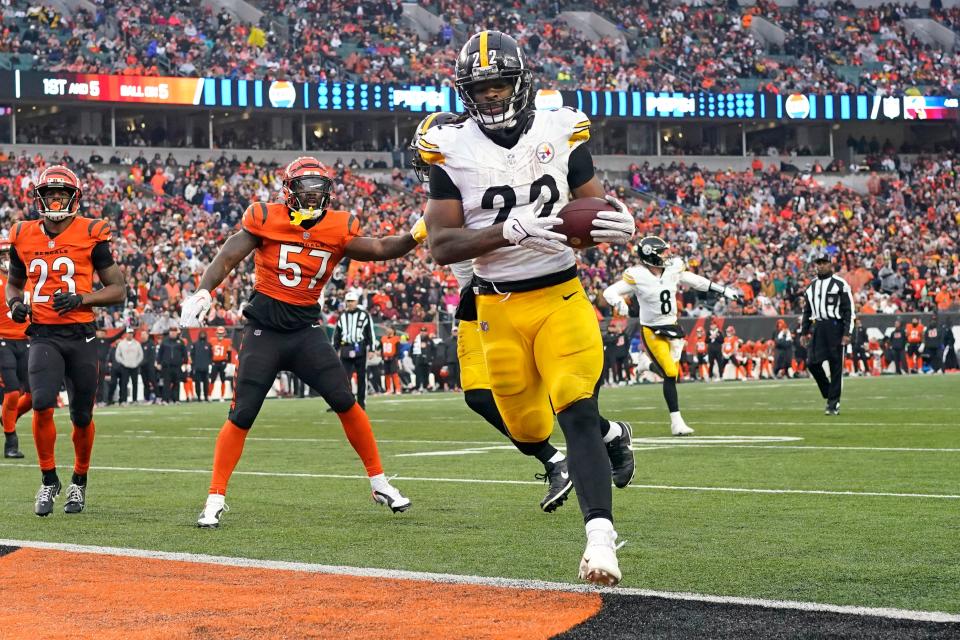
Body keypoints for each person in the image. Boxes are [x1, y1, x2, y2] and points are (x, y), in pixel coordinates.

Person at [420, 31, 636, 585]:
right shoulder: (451, 148)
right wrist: (504, 231)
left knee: (575, 409)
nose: (491, 98)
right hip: (497, 308)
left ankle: (600, 540)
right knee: (524, 424)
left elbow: (588, 207)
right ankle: (615, 436)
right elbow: (441, 246)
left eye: (499, 86)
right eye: (480, 89)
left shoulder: (560, 129)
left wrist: (612, 221)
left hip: (561, 294)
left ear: (520, 83)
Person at [181, 156, 422, 528]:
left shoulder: (339, 226)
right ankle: (215, 497)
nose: (311, 199)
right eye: (304, 191)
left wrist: (418, 233)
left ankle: (379, 482)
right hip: (264, 330)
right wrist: (203, 291)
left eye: (318, 191)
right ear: (288, 192)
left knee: (346, 401)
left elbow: (381, 249)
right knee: (242, 414)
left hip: (307, 331)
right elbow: (230, 253)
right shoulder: (264, 217)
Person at [6, 165, 126, 516]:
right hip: (43, 333)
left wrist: (82, 299)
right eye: (50, 194)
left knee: (81, 415)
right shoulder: (22, 234)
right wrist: (15, 304)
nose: (56, 200)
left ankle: (79, 481)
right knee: (42, 404)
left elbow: (118, 289)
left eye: (62, 194)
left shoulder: (91, 232)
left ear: (74, 198)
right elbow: (15, 282)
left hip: (82, 334)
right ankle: (48, 480)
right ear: (39, 199)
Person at [604, 236, 742, 436]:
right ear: (650, 255)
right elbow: (610, 292)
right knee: (669, 372)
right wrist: (620, 304)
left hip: (672, 327)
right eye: (662, 252)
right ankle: (676, 423)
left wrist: (723, 290)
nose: (667, 255)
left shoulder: (673, 268)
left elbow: (694, 280)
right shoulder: (637, 275)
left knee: (672, 373)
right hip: (651, 329)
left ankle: (646, 365)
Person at [800, 252, 855, 415]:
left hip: (835, 327)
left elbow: (848, 310)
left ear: (831, 264)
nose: (821, 266)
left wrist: (847, 333)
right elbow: (807, 311)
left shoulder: (840, 284)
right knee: (812, 363)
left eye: (824, 263)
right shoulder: (811, 286)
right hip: (818, 327)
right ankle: (829, 391)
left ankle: (833, 404)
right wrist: (804, 331)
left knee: (835, 366)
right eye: (818, 263)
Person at [0, 240, 31, 458]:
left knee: (35, 395)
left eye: (8, 254)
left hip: (28, 340)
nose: (5, 258)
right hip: (3, 341)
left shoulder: (28, 279)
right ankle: (11, 442)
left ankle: (6, 417)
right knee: (11, 392)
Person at [333, 291, 375, 408]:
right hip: (346, 347)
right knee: (344, 377)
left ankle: (361, 403)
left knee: (361, 376)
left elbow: (370, 332)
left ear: (357, 301)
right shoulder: (342, 316)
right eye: (348, 301)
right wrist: (334, 349)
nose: (350, 304)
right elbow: (337, 334)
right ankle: (348, 401)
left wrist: (371, 349)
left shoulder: (364, 315)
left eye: (352, 301)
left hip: (359, 347)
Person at [157, 326, 188, 403]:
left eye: (174, 331)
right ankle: (165, 399)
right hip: (167, 366)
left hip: (177, 366)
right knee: (166, 383)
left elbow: (184, 353)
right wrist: (158, 363)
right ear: (169, 332)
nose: (173, 333)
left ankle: (176, 399)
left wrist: (185, 363)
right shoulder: (165, 341)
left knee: (177, 383)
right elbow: (160, 353)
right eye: (171, 331)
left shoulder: (180, 342)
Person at [113, 328, 144, 404]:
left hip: (134, 366)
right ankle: (123, 400)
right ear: (126, 334)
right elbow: (117, 355)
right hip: (125, 367)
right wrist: (123, 362)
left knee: (135, 384)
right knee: (124, 383)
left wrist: (137, 362)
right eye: (128, 333)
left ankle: (134, 400)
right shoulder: (121, 344)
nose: (130, 334)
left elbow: (141, 355)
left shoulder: (137, 343)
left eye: (131, 333)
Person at [208, 326, 232, 400]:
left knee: (223, 380)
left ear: (224, 333)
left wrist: (228, 363)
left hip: (223, 362)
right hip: (214, 362)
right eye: (219, 333)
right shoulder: (212, 340)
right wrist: (209, 362)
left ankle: (222, 396)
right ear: (216, 333)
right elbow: (209, 352)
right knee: (212, 380)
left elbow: (229, 353)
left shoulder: (227, 341)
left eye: (221, 333)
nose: (220, 335)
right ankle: (209, 395)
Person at [379, 326, 402, 394]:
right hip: (385, 359)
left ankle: (397, 389)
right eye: (387, 329)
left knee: (394, 373)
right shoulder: (383, 338)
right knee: (387, 374)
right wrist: (382, 355)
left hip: (393, 358)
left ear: (393, 330)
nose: (388, 330)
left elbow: (398, 349)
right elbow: (381, 348)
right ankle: (388, 389)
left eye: (389, 329)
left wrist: (395, 357)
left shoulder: (396, 338)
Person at [191, 330, 213, 401]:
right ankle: (199, 397)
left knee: (206, 383)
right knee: (197, 383)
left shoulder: (208, 344)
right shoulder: (195, 344)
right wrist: (194, 364)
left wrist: (209, 364)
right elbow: (192, 355)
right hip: (197, 367)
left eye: (204, 334)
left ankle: (206, 396)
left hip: (206, 367)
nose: (202, 335)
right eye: (201, 334)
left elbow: (211, 355)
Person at [139, 332, 158, 403]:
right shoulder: (140, 345)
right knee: (145, 383)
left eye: (144, 335)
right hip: (142, 367)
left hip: (150, 367)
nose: (143, 336)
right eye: (142, 335)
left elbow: (151, 357)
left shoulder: (151, 344)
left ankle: (158, 396)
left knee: (153, 382)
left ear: (147, 336)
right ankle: (146, 398)